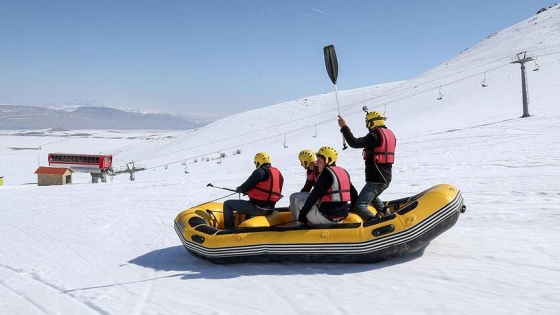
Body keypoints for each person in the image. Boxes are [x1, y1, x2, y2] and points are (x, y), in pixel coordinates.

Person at [338, 110, 396, 221]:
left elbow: (354, 142)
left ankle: (376, 222)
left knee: (360, 206)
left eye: (367, 122)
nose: (367, 124)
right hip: (384, 178)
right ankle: (384, 211)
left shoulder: (374, 136)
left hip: (376, 180)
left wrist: (344, 127)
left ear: (373, 122)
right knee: (373, 197)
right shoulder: (389, 134)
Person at [297, 146, 358, 226]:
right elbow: (354, 194)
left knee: (300, 202)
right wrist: (352, 209)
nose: (316, 163)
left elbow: (313, 196)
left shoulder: (325, 175)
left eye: (319, 160)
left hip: (326, 218)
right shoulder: (342, 172)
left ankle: (298, 229)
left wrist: (302, 215)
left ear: (328, 160)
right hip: (342, 216)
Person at [222, 152, 284, 229]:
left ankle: (229, 230)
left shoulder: (259, 172)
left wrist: (239, 189)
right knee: (249, 204)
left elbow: (244, 187)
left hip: (258, 208)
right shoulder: (278, 173)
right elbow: (268, 189)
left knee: (227, 204)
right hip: (270, 208)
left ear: (258, 162)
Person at [289, 149, 320, 220]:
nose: (301, 164)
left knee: (298, 200)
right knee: (294, 196)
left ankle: (298, 221)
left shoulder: (317, 170)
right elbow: (307, 187)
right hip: (316, 195)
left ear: (306, 161)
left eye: (301, 162)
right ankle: (295, 220)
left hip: (319, 196)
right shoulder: (310, 171)